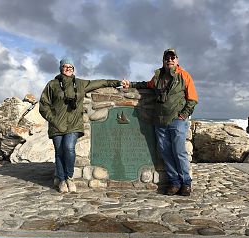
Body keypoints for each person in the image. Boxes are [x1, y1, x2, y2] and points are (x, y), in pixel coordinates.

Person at [122, 48, 198, 196]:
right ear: (163, 61)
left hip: (177, 120)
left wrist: (183, 114)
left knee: (179, 152)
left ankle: (186, 183)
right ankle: (174, 182)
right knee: (166, 153)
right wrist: (130, 85)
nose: (170, 60)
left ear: (177, 60)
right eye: (167, 58)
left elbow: (193, 98)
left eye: (172, 58)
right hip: (160, 121)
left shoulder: (184, 76)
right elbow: (146, 85)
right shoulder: (158, 77)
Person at [39, 58, 121, 193]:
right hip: (56, 125)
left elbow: (100, 83)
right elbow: (44, 104)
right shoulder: (52, 84)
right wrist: (52, 119)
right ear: (61, 68)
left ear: (73, 69)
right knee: (59, 152)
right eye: (65, 66)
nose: (68, 69)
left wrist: (118, 83)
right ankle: (61, 180)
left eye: (70, 67)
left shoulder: (80, 84)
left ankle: (69, 177)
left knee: (69, 148)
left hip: (74, 124)